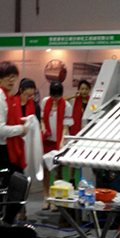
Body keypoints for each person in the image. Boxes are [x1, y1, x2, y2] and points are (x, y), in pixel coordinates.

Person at [0, 61, 27, 173]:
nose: (11, 80)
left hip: (7, 147)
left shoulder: (10, 98)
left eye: (14, 76)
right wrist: (21, 129)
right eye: (7, 76)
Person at [40, 80, 72, 208]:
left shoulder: (67, 106)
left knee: (57, 170)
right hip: (47, 141)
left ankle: (55, 198)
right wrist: (43, 128)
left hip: (59, 141)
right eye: (53, 96)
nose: (55, 99)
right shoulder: (45, 102)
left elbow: (65, 126)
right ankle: (45, 197)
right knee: (45, 170)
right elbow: (42, 119)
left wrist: (62, 141)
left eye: (57, 96)